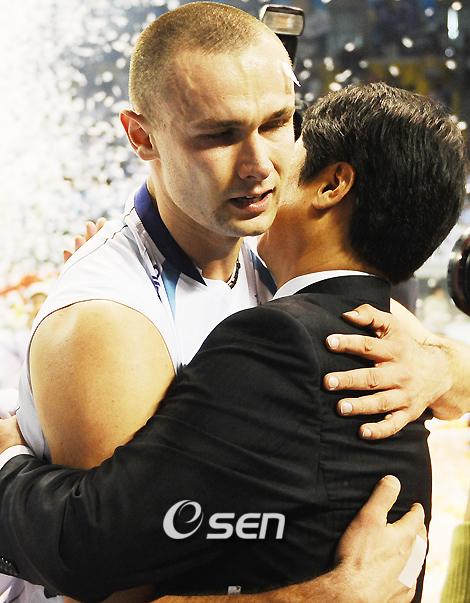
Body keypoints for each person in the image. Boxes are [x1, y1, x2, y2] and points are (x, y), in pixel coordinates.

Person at [2, 2, 470, 601]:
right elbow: (103, 584)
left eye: (277, 123)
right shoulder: (111, 325)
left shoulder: (280, 254)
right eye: (219, 136)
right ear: (142, 137)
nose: (259, 167)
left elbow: (453, 384)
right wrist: (328, 597)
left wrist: (437, 366)